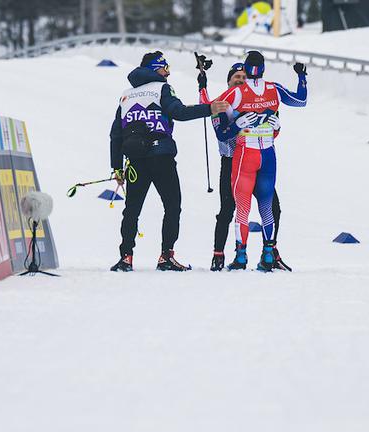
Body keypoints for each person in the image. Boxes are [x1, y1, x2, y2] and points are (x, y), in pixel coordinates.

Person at [108, 51, 230, 272]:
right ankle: (166, 256)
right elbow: (179, 112)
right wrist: (209, 109)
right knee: (172, 206)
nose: (168, 72)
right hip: (161, 156)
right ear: (156, 69)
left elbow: (116, 134)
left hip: (134, 161)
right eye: (165, 68)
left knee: (132, 209)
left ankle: (125, 257)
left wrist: (116, 167)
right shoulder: (161, 88)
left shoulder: (126, 95)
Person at [214, 50, 307, 272]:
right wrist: (302, 77)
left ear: (245, 69)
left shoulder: (237, 92)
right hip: (268, 154)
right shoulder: (274, 88)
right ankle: (267, 255)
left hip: (245, 153)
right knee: (267, 206)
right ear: (263, 68)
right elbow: (301, 100)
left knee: (242, 208)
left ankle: (241, 257)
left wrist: (236, 124)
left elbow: (214, 114)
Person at [196, 55, 286, 272]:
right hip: (231, 162)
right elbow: (218, 129)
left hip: (258, 159)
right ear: (229, 82)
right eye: (236, 77)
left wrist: (276, 127)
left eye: (243, 76)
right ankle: (219, 255)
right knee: (228, 209)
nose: (240, 80)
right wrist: (202, 82)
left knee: (273, 207)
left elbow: (273, 130)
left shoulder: (258, 98)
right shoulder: (225, 102)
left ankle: (271, 253)